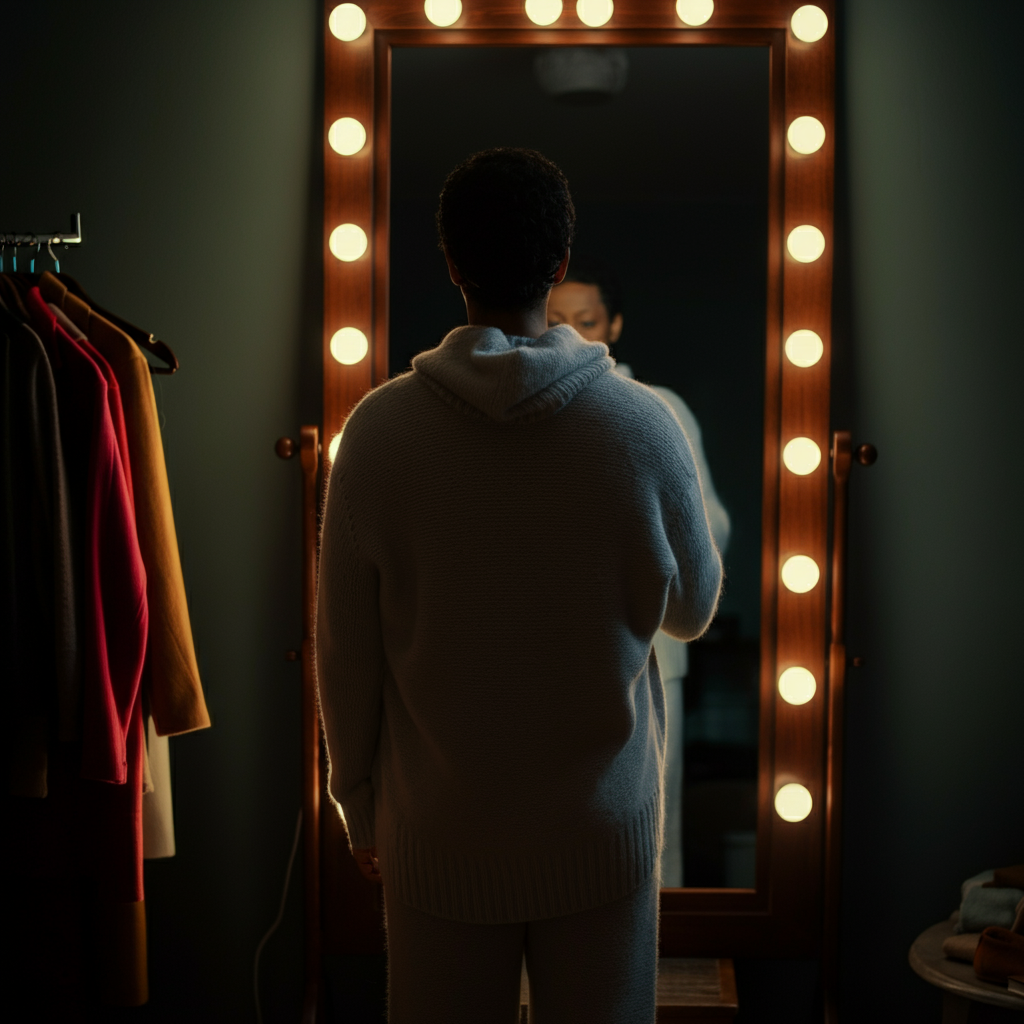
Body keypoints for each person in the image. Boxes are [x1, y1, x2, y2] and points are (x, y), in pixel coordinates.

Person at [315, 148, 723, 1024]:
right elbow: (691, 611)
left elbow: (344, 652)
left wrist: (358, 806)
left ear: (452, 264)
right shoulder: (642, 425)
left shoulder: (379, 434)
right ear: (560, 265)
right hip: (598, 834)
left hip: (438, 832)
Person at [547, 257, 731, 888]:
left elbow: (710, 529)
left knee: (654, 824)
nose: (570, 333)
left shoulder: (663, 411)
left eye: (587, 319)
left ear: (615, 324)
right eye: (554, 319)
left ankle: (660, 954)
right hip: (551, 651)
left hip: (652, 648)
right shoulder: (524, 414)